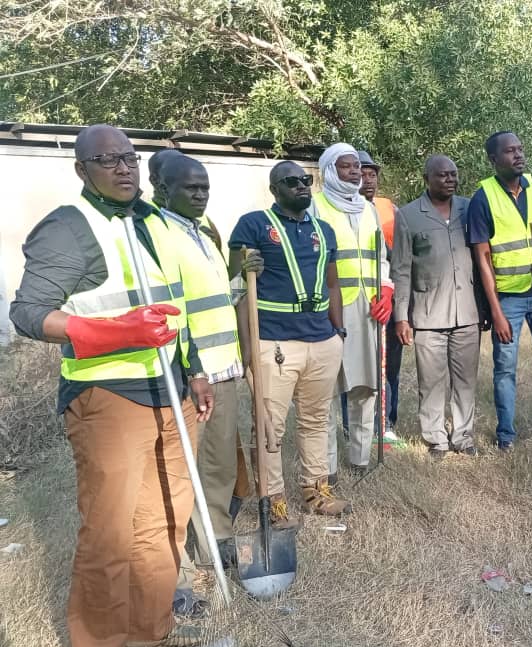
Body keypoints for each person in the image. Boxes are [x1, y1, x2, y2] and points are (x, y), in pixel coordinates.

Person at [10, 124, 209, 647]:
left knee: (164, 517)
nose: (124, 168)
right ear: (82, 169)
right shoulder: (70, 228)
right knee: (109, 531)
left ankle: (150, 621)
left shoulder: (151, 223)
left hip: (169, 389)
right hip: (107, 396)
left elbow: (175, 307)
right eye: (108, 160)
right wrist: (114, 332)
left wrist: (193, 370)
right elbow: (27, 314)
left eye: (130, 158)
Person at [154, 155, 261, 616]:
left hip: (223, 368)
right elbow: (172, 309)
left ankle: (216, 538)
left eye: (205, 188)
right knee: (180, 474)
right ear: (162, 188)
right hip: (188, 374)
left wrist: (239, 274)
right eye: (190, 188)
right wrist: (188, 370)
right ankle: (173, 569)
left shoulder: (204, 232)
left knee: (217, 465)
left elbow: (216, 298)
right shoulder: (158, 234)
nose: (200, 195)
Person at [228, 161, 347, 525]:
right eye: (291, 181)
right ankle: (273, 501)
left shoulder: (324, 230)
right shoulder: (254, 224)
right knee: (269, 427)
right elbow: (233, 275)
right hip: (275, 343)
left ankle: (316, 490)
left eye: (305, 180)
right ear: (274, 189)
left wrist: (338, 332)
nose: (301, 186)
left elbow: (332, 284)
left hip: (322, 340)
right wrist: (243, 263)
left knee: (316, 420)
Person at [468, 131, 532, 451]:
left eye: (520, 149)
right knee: (505, 368)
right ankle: (507, 435)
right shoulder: (483, 197)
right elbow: (482, 257)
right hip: (508, 298)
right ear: (494, 159)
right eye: (510, 151)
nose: (518, 155)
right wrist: (495, 312)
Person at [392, 155, 480, 458]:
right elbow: (401, 269)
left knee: (466, 380)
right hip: (428, 314)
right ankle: (436, 440)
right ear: (426, 178)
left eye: (454, 174)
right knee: (430, 382)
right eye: (443, 175)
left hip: (467, 311)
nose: (450, 180)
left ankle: (463, 437)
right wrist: (400, 317)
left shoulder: (470, 209)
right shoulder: (407, 215)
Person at [314, 144, 392, 474]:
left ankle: (360, 459)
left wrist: (387, 289)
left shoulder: (369, 209)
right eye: (346, 167)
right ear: (331, 171)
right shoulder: (315, 206)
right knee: (329, 390)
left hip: (369, 309)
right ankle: (327, 466)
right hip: (331, 308)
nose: (355, 172)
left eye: (357, 166)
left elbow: (382, 258)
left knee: (366, 387)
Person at [358, 150, 403, 443]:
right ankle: (358, 426)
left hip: (390, 297)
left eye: (372, 174)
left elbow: (401, 257)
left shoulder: (391, 209)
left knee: (391, 363)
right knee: (360, 365)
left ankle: (387, 423)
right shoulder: (341, 210)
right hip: (359, 301)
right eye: (361, 173)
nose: (367, 179)